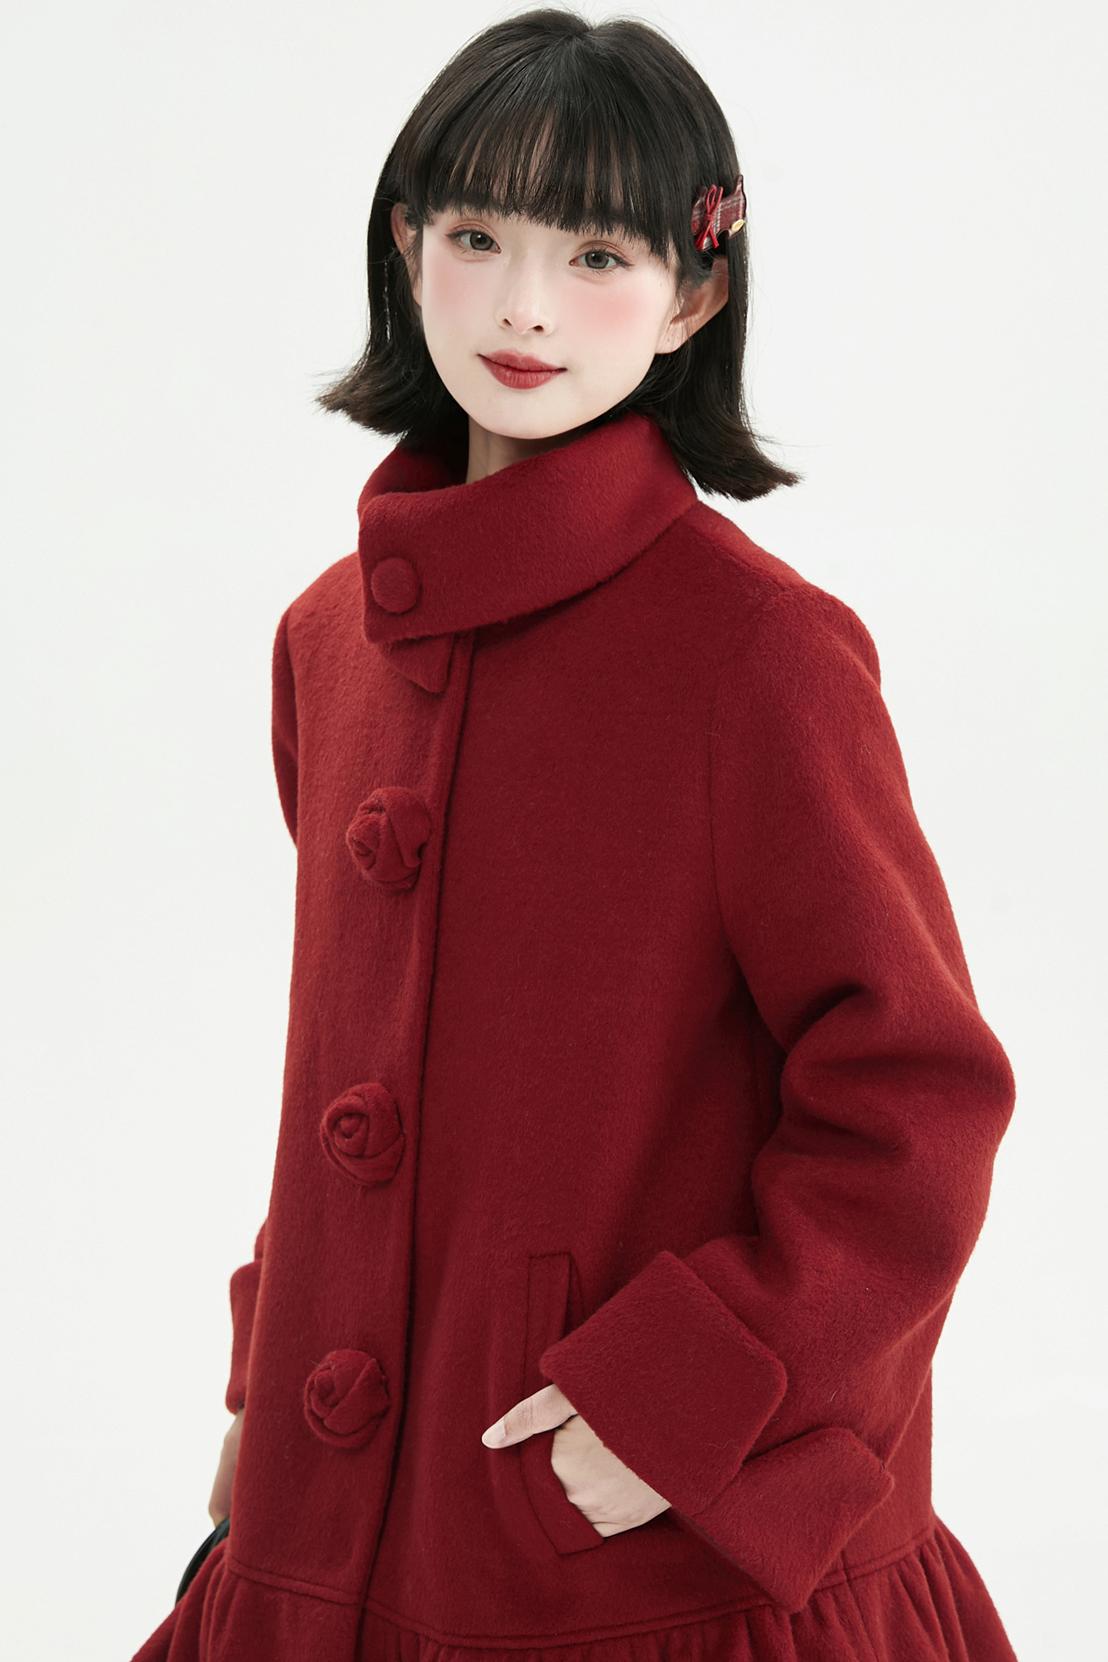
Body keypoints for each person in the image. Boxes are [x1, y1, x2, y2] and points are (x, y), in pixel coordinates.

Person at [131, 9, 1020, 1661]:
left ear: (694, 296)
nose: (525, 306)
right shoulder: (328, 637)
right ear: (407, 247)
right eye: (477, 237)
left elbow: (918, 1092)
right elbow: (344, 1071)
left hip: (621, 1542)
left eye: (597, 253)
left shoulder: (759, 655)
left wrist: (682, 1399)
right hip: (336, 1519)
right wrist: (270, 1383)